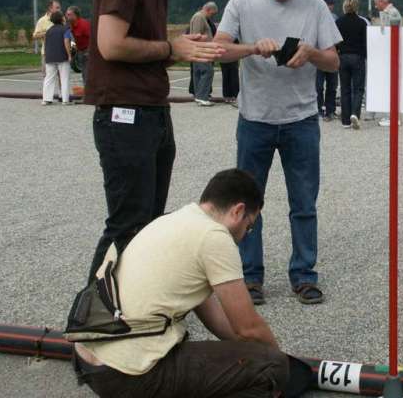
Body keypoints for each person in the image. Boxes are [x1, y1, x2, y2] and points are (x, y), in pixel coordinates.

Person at [84, 0, 223, 283]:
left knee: (147, 225)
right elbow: (111, 45)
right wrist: (171, 48)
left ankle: (131, 313)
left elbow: (149, 48)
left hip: (152, 113)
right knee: (127, 224)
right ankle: (91, 321)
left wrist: (177, 49)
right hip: (123, 114)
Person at [72, 168, 289, 398]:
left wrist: (246, 350)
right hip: (130, 376)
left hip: (92, 364)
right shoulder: (214, 237)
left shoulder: (174, 220)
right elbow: (248, 327)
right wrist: (278, 360)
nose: (246, 234)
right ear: (238, 211)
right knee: (273, 368)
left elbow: (217, 319)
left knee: (252, 358)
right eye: (250, 226)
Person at [215, 0, 342, 306]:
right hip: (254, 119)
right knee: (246, 204)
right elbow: (219, 48)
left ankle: (304, 275)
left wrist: (312, 52)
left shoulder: (314, 4)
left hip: (301, 120)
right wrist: (252, 47)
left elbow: (333, 61)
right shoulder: (242, 2)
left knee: (304, 202)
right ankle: (250, 277)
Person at [335, 0, 368, 129]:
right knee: (358, 88)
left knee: (345, 89)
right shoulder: (362, 23)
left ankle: (345, 120)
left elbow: (335, 40)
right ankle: (355, 113)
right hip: (357, 57)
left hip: (342, 57)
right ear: (356, 7)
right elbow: (366, 42)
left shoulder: (338, 22)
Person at [373, 0, 401, 126]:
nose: (375, 6)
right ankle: (391, 115)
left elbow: (393, 33)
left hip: (393, 53)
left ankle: (394, 117)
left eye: (375, 3)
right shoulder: (387, 12)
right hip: (388, 53)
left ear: (382, 1)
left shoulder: (392, 13)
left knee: (393, 84)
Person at [189, 1, 219, 106]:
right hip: (201, 50)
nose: (212, 16)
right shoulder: (199, 17)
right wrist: (205, 39)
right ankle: (202, 97)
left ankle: (199, 96)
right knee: (208, 72)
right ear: (208, 9)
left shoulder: (200, 17)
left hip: (198, 50)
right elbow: (196, 35)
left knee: (198, 73)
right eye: (212, 13)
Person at [315, 0, 340, 121]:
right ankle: (318, 109)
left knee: (332, 85)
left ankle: (330, 110)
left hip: (331, 54)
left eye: (331, 4)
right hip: (319, 56)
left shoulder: (335, 18)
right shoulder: (316, 17)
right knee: (318, 86)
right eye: (328, 4)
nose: (330, 6)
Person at [41, 11, 73, 105]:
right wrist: (70, 55)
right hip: (62, 56)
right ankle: (65, 100)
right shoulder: (65, 29)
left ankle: (46, 99)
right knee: (64, 78)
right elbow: (67, 41)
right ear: (61, 18)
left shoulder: (49, 30)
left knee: (49, 78)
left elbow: (46, 43)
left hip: (50, 57)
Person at [34, 0, 62, 97]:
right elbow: (35, 36)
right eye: (57, 7)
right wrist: (48, 33)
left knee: (61, 75)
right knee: (47, 75)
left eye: (59, 7)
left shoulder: (62, 19)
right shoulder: (42, 21)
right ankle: (47, 96)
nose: (59, 9)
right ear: (50, 8)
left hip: (60, 52)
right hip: (46, 52)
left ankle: (61, 95)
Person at [66, 6, 91, 86]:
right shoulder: (71, 25)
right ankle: (87, 90)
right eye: (67, 14)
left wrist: (90, 51)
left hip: (88, 50)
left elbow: (93, 37)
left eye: (69, 14)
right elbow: (71, 38)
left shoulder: (84, 24)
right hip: (80, 50)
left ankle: (89, 92)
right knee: (84, 71)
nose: (67, 16)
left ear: (75, 15)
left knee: (87, 72)